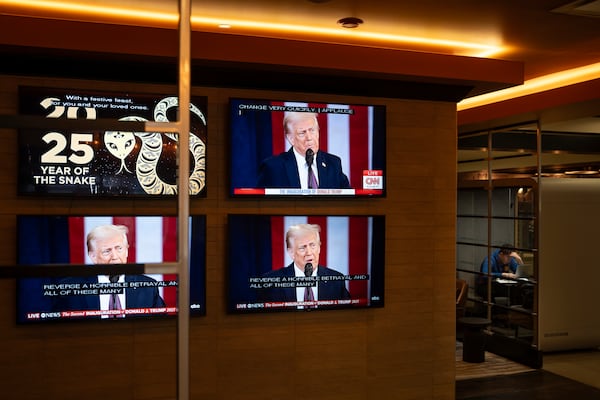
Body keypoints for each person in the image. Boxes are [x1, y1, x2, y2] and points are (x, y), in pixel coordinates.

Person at [52, 224, 165, 316]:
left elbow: (161, 328)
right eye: (107, 251)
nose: (114, 256)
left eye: (119, 248)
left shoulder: (148, 287)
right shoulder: (69, 288)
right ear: (92, 256)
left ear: (126, 251)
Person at [259, 223, 351, 306]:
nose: (309, 252)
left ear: (319, 248)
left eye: (312, 245)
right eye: (302, 248)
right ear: (291, 252)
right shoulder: (271, 282)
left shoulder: (336, 281)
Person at [256, 112, 351, 189]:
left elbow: (348, 199)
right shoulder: (273, 167)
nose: (309, 137)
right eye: (302, 133)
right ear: (291, 138)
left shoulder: (333, 163)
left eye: (312, 130)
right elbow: (260, 204)